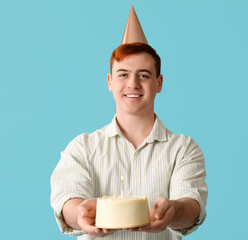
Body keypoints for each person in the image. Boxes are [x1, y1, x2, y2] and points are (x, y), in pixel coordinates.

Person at [50, 8, 207, 240]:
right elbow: (68, 199)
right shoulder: (82, 147)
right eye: (123, 74)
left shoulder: (183, 149)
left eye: (143, 75)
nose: (133, 83)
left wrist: (174, 211)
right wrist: (80, 212)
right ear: (110, 82)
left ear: (159, 83)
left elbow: (192, 208)